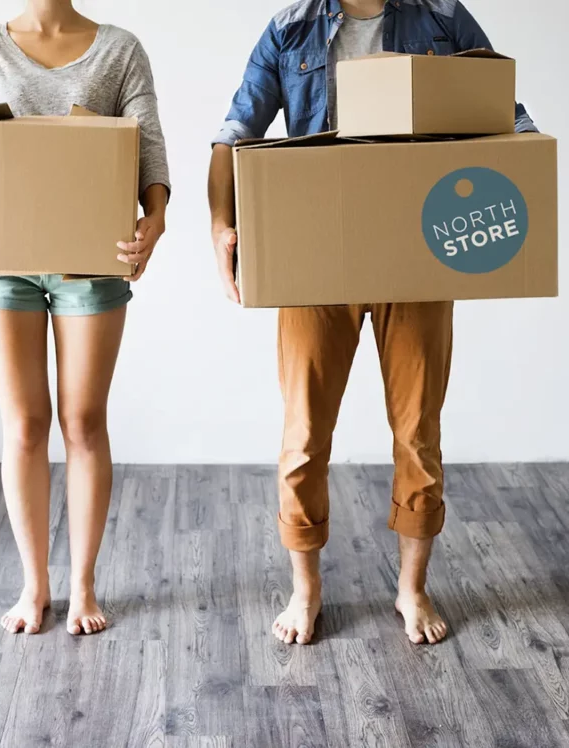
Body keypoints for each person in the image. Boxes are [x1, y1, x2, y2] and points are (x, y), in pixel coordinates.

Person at [208, 0, 536, 645]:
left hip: (414, 255)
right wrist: (220, 228)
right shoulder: (291, 27)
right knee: (304, 433)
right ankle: (306, 591)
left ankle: (412, 590)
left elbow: (507, 115)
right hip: (315, 258)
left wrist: (524, 179)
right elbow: (234, 133)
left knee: (417, 431)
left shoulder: (443, 19)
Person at [0, 0, 170, 635]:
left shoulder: (119, 48)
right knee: (25, 423)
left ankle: (83, 586)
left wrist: (154, 223)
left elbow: (150, 152)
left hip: (92, 259)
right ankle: (35, 585)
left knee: (83, 421)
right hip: (2, 261)